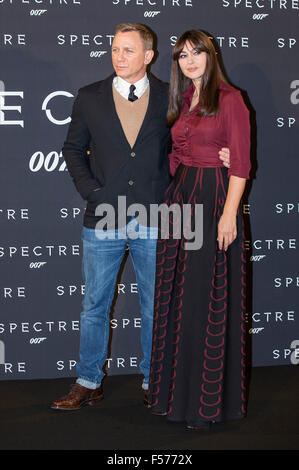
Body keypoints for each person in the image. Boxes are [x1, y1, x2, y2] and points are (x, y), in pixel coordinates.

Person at [51, 24, 231, 411]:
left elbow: (191, 141)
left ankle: (155, 379)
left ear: (149, 56)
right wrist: (92, 193)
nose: (119, 57)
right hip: (104, 217)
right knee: (94, 304)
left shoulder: (173, 96)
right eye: (115, 49)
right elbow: (72, 150)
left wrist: (224, 156)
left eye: (128, 51)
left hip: (158, 215)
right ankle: (88, 380)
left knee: (156, 305)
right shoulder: (88, 97)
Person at [148, 30, 251, 431]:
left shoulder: (231, 99)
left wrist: (229, 215)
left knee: (204, 303)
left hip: (213, 202)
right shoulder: (184, 100)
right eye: (182, 55)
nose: (189, 61)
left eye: (197, 53)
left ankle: (204, 407)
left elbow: (241, 163)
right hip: (181, 201)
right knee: (177, 299)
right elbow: (176, 154)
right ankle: (171, 396)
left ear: (212, 56)